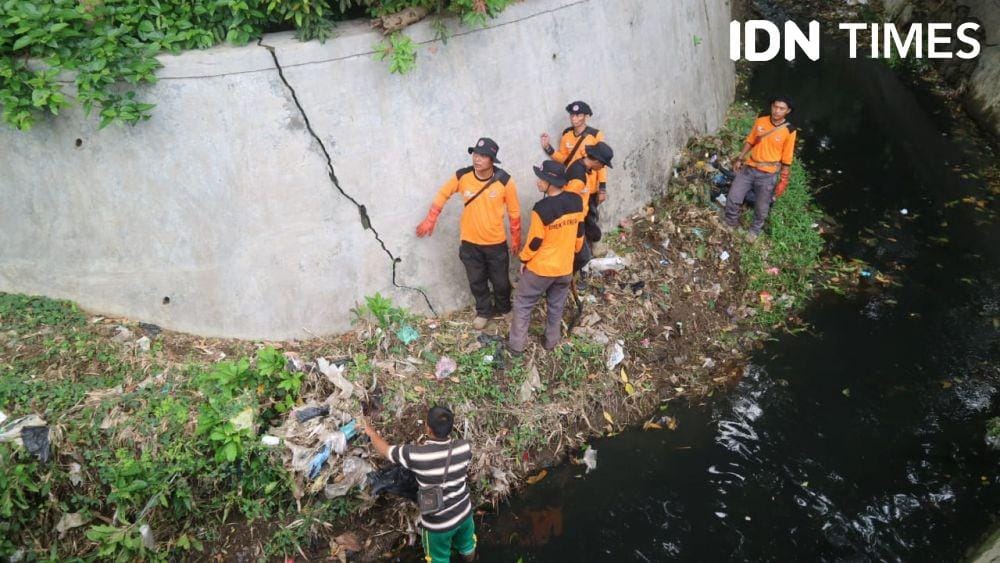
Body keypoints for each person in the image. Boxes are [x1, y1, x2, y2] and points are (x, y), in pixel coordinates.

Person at [416, 138, 522, 329]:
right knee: (476, 281)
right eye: (475, 154)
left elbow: (514, 212)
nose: (477, 159)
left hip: (495, 243)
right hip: (469, 243)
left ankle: (505, 309)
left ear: (492, 160)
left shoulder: (505, 181)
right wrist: (431, 218)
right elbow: (443, 194)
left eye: (483, 156)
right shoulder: (462, 176)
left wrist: (516, 237)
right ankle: (484, 311)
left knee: (500, 282)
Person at [364, 406, 476, 563]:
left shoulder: (416, 455)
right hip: (465, 514)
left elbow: (385, 451)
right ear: (451, 428)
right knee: (467, 546)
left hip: (438, 526)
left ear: (428, 428)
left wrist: (370, 432)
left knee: (438, 559)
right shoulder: (464, 447)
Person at [508, 160, 585, 353]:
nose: (538, 182)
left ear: (551, 183)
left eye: (541, 179)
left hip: (542, 269)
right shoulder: (576, 201)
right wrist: (574, 252)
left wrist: (524, 260)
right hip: (565, 268)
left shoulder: (541, 208)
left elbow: (535, 242)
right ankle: (551, 341)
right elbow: (580, 232)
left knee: (523, 303)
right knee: (556, 305)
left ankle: (516, 346)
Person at [724, 95, 798, 240]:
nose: (777, 111)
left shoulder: (790, 130)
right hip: (749, 168)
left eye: (781, 109)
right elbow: (750, 141)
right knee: (734, 196)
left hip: (768, 175)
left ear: (787, 111)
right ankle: (730, 222)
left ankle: (754, 231)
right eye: (775, 107)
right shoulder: (761, 120)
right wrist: (740, 158)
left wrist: (784, 178)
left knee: (761, 206)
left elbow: (787, 156)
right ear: (771, 106)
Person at [540, 101, 609, 245]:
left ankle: (590, 247)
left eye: (579, 115)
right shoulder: (566, 135)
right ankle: (578, 248)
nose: (575, 118)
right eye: (572, 115)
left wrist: (602, 188)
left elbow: (601, 164)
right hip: (572, 184)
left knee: (589, 218)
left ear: (586, 116)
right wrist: (548, 148)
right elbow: (563, 159)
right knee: (573, 219)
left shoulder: (595, 135)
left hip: (589, 187)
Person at [564, 142, 613, 272]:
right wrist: (576, 227)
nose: (602, 167)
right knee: (583, 257)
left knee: (592, 237)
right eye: (603, 164)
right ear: (596, 161)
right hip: (574, 221)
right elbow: (567, 203)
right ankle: (564, 276)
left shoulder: (583, 168)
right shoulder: (578, 177)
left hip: (581, 217)